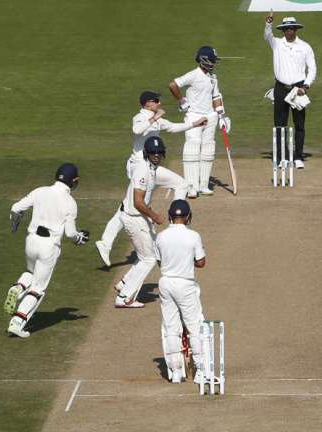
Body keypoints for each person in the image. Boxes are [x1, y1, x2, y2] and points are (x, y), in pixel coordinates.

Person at [94, 91, 207, 267]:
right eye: (156, 101)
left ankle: (106, 242)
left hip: (150, 167)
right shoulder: (140, 117)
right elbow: (136, 130)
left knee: (129, 204)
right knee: (171, 188)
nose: (159, 103)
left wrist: (194, 124)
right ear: (148, 103)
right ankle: (175, 222)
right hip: (139, 166)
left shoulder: (156, 118)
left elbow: (172, 127)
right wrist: (156, 118)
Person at [4, 163, 90, 338]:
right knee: (38, 288)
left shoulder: (40, 191)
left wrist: (14, 225)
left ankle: (18, 288)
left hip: (31, 240)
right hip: (49, 246)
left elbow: (15, 208)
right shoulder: (70, 202)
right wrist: (80, 238)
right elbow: (70, 233)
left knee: (30, 271)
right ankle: (17, 322)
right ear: (73, 181)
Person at [114, 136, 187, 308]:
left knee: (149, 252)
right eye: (153, 152)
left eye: (159, 152)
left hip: (139, 217)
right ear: (147, 153)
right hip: (134, 217)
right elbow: (138, 202)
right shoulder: (143, 171)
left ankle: (124, 284)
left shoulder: (152, 169)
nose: (156, 155)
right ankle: (124, 297)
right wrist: (154, 216)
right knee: (149, 259)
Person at [168, 46, 231, 198]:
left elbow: (216, 97)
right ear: (204, 60)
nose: (214, 64)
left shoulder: (213, 77)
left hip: (210, 116)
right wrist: (182, 100)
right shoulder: (193, 75)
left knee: (208, 150)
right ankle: (191, 187)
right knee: (192, 149)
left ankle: (203, 185)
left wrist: (222, 116)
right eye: (212, 61)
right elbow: (173, 85)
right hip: (194, 117)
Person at [155, 200, 207, 383]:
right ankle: (200, 371)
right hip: (185, 284)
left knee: (171, 328)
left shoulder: (160, 237)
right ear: (188, 216)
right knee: (194, 327)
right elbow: (201, 262)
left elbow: (160, 262)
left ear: (170, 216)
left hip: (166, 283)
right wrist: (186, 261)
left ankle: (176, 371)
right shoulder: (193, 236)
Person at [264, 14, 317, 169]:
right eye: (286, 29)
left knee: (299, 124)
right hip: (280, 88)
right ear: (283, 31)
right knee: (280, 125)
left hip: (298, 88)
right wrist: (268, 24)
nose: (289, 31)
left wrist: (305, 86)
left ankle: (298, 157)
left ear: (295, 30)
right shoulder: (277, 44)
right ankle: (281, 158)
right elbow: (267, 35)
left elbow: (312, 68)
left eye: (291, 29)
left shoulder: (305, 47)